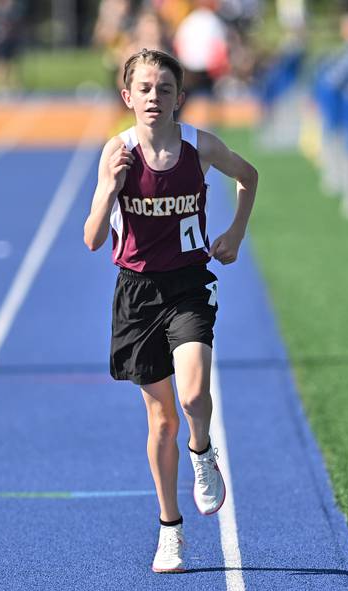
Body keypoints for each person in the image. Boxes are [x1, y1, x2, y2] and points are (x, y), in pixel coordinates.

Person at [83, 48, 258, 573]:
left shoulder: (199, 146)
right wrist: (110, 188)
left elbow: (249, 176)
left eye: (164, 89)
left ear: (180, 97)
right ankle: (170, 530)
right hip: (136, 295)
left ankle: (202, 451)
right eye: (144, 89)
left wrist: (234, 232)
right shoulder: (117, 152)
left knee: (194, 393)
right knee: (160, 421)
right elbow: (92, 238)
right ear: (127, 97)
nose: (154, 97)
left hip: (188, 285)